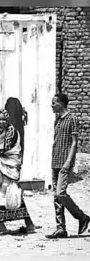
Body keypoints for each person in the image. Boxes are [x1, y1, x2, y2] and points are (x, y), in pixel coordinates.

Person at [45, 93, 90, 239]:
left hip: (65, 162)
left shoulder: (72, 119)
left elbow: (74, 142)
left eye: (54, 103)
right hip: (55, 161)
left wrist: (68, 162)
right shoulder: (57, 119)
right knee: (56, 198)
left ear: (61, 103)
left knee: (61, 193)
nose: (51, 105)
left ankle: (81, 217)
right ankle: (60, 229)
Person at [0, 108, 35, 233]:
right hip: (1, 166)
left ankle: (0, 225)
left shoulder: (12, 132)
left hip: (10, 166)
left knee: (4, 193)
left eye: (3, 119)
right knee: (12, 195)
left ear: (7, 120)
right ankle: (29, 223)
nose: (1, 122)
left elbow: (6, 149)